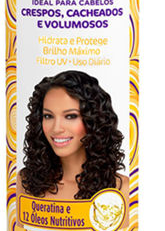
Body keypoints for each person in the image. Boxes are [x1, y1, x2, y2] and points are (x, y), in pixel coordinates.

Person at [16, 71, 129, 213]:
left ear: (93, 120)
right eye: (48, 116)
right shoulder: (25, 181)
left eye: (70, 116)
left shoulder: (122, 189)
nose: (56, 128)